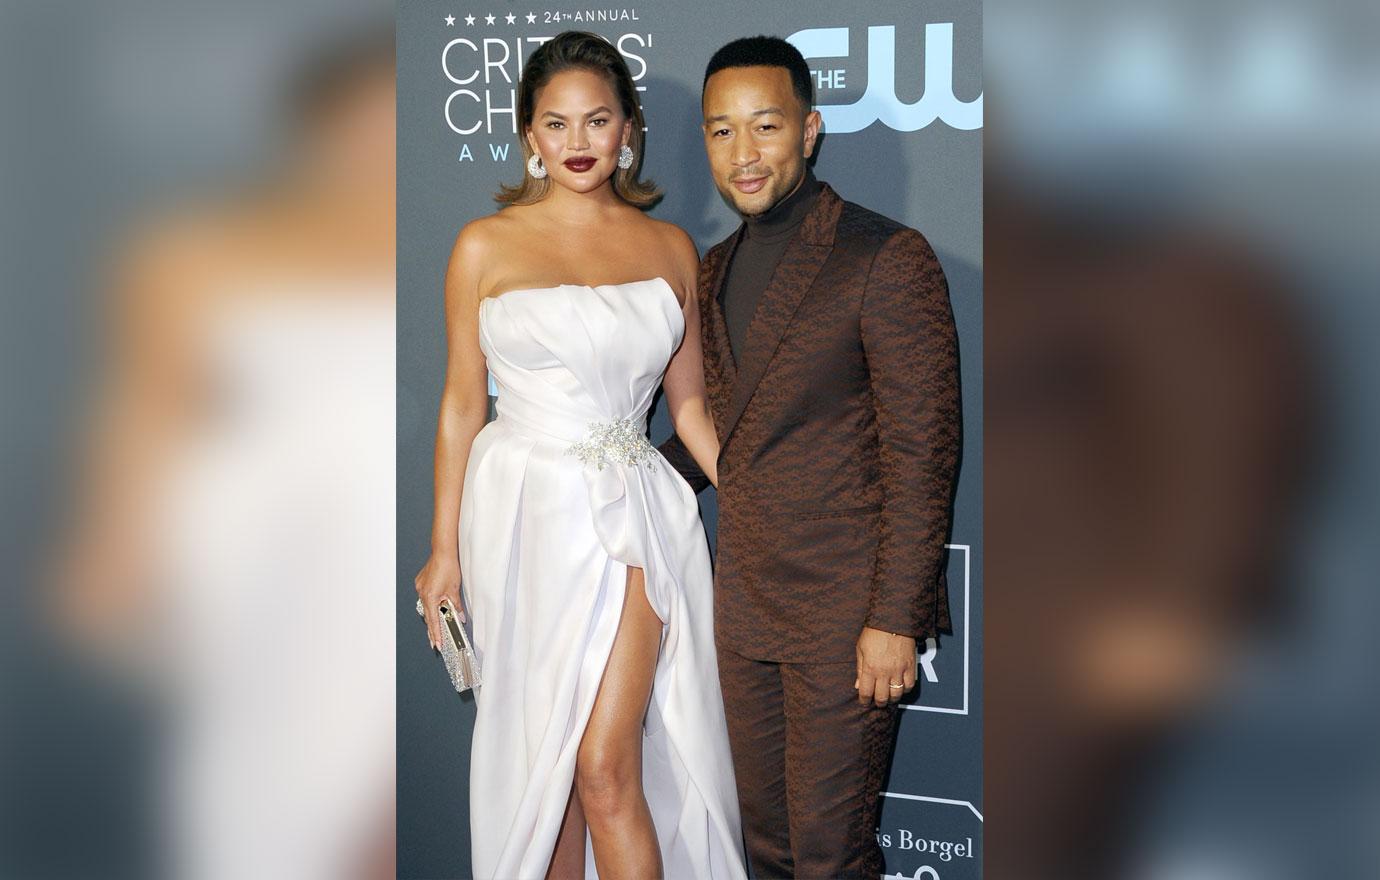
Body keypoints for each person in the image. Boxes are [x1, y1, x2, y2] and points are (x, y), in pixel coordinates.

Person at [411, 31, 745, 880]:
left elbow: (692, 405)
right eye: (556, 125)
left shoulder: (671, 250)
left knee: (604, 764)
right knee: (545, 776)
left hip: (637, 512)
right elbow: (459, 403)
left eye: (597, 121)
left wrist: (757, 495)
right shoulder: (483, 245)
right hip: (521, 512)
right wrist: (443, 548)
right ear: (528, 136)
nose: (578, 142)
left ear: (627, 129)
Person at [660, 36, 962, 878]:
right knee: (766, 848)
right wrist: (599, 474)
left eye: (765, 127)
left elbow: (924, 451)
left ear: (810, 130)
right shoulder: (712, 269)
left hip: (847, 613)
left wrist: (895, 618)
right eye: (721, 133)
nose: (743, 154)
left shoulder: (885, 257)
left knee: (831, 855)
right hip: (746, 607)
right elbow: (716, 426)